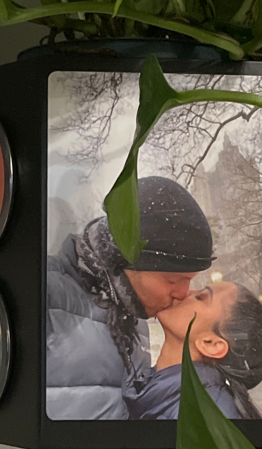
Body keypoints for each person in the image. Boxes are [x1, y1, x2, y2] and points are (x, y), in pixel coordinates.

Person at [45, 176, 214, 420]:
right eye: (173, 280)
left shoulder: (133, 319)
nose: (183, 293)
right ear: (123, 260)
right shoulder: (46, 295)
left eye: (190, 280)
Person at [123, 281, 262, 422]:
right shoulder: (164, 388)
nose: (186, 293)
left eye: (200, 297)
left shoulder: (203, 421)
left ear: (211, 344)